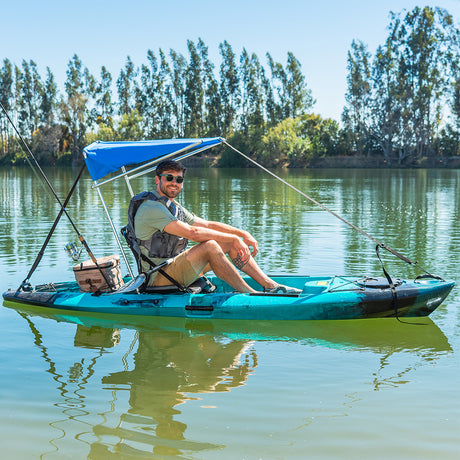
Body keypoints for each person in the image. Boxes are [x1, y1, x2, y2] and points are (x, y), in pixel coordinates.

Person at [132, 159, 301, 294]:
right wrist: (235, 238)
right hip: (157, 278)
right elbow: (193, 233)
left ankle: (270, 286)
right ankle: (251, 295)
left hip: (171, 269)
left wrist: (242, 233)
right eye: (169, 177)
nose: (174, 183)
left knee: (227, 243)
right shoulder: (151, 208)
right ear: (157, 179)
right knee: (211, 246)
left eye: (179, 179)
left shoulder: (171, 206)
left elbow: (206, 224)